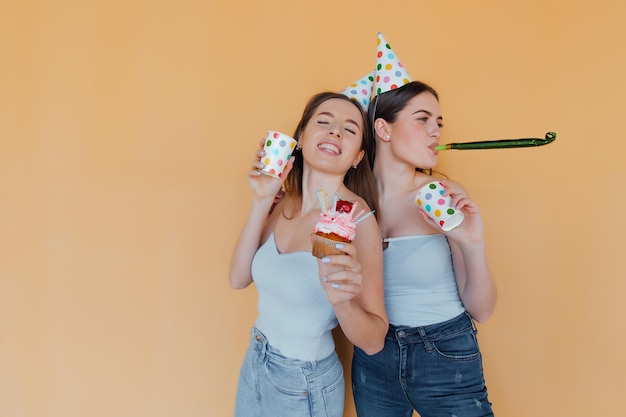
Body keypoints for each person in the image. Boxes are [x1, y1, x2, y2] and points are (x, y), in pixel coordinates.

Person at [351, 33, 497, 417]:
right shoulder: (349, 200)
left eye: (439, 122)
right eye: (423, 119)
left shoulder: (441, 195)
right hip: (373, 356)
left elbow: (481, 309)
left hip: (445, 354)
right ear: (383, 129)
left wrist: (473, 242)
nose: (436, 131)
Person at [229, 91, 388, 417]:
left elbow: (374, 340)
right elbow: (238, 278)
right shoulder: (284, 201)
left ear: (358, 155)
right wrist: (261, 199)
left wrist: (341, 300)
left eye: (350, 129)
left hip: (303, 381)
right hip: (256, 358)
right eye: (324, 122)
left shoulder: (357, 220)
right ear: (301, 137)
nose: (335, 132)